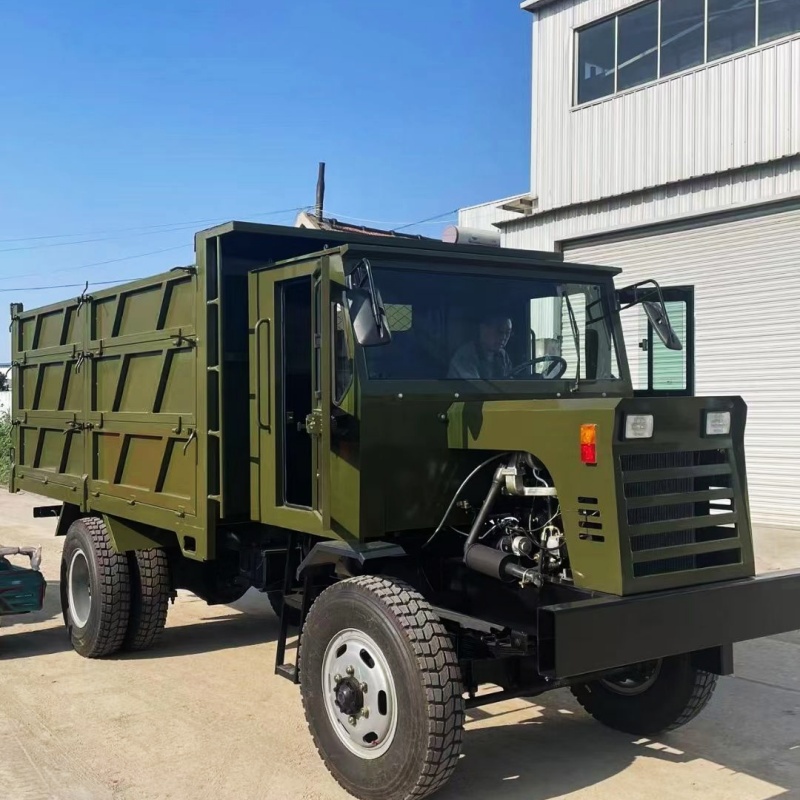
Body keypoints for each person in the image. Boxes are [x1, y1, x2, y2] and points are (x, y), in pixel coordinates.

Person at [448, 313, 513, 380]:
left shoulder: (503, 355)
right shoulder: (465, 356)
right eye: (500, 331)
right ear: (483, 329)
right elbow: (476, 387)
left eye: (508, 333)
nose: (503, 337)